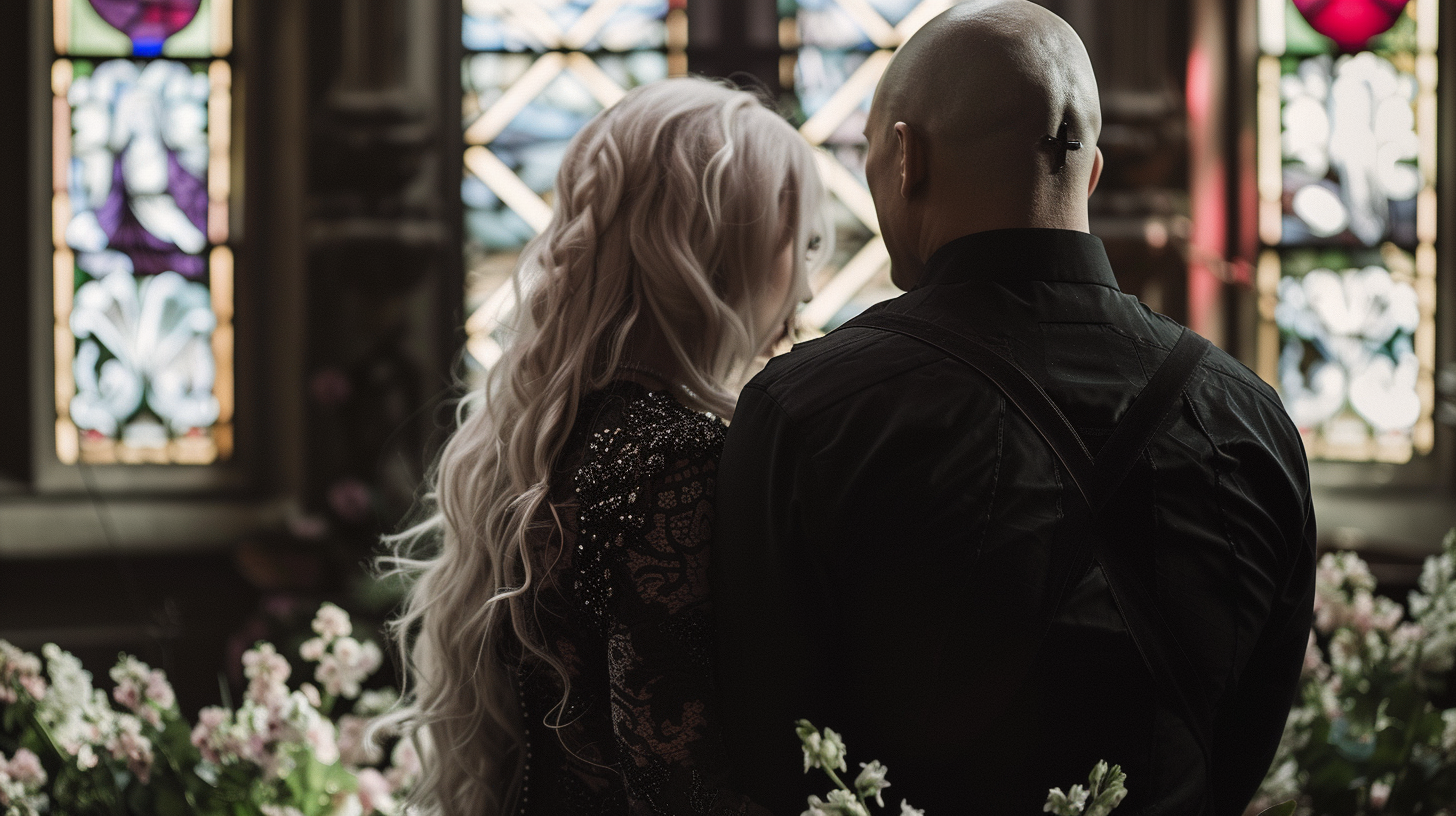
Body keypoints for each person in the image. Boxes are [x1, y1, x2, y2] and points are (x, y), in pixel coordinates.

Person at [712, 3, 1316, 815]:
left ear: (904, 156)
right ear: (1093, 173)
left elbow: (772, 754)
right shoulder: (1254, 422)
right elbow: (1240, 749)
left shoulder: (807, 412)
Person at [379, 78, 826, 816]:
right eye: (795, 244)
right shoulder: (675, 459)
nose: (807, 288)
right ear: (717, 253)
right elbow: (679, 787)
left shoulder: (548, 436)